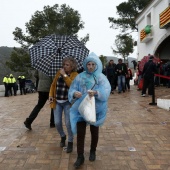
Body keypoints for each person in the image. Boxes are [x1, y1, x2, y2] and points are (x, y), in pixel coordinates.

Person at [68, 52, 111, 168]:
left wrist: (97, 93)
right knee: (80, 133)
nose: (90, 67)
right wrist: (74, 93)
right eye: (88, 64)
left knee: (94, 131)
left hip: (96, 109)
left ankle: (93, 151)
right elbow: (72, 89)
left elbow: (106, 90)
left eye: (93, 64)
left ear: (96, 65)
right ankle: (80, 156)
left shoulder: (101, 78)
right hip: (81, 109)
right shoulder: (80, 77)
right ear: (85, 65)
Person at [49, 57, 78, 153]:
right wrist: (51, 96)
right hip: (57, 101)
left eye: (67, 65)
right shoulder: (59, 73)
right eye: (64, 64)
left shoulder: (75, 75)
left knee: (68, 123)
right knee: (57, 122)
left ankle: (70, 141)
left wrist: (64, 75)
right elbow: (53, 85)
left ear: (72, 66)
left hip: (68, 103)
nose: (64, 66)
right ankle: (62, 136)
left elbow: (72, 85)